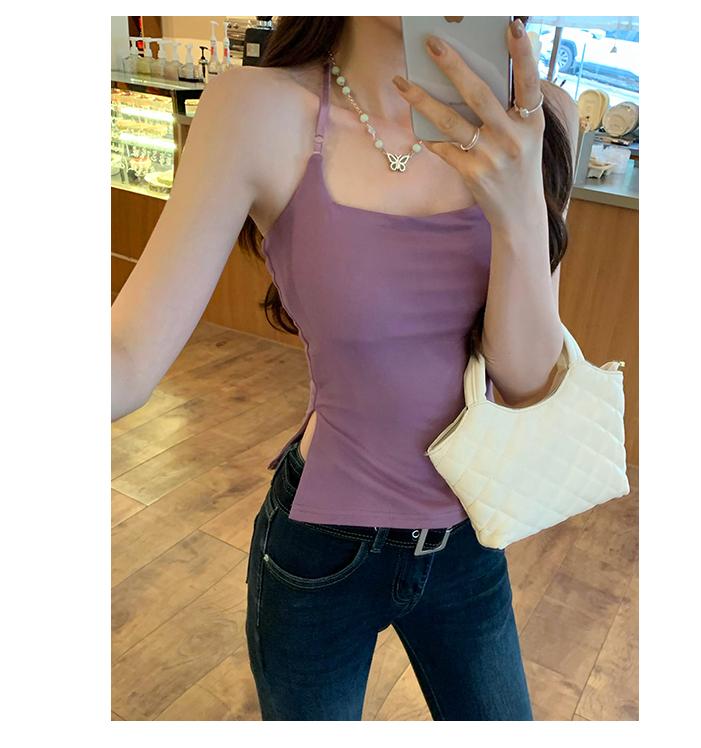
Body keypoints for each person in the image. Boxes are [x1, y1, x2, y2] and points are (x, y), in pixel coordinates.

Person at [112, 16, 580, 720]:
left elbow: (522, 381)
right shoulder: (257, 108)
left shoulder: (542, 117)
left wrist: (517, 210)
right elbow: (125, 357)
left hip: (469, 538)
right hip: (320, 550)